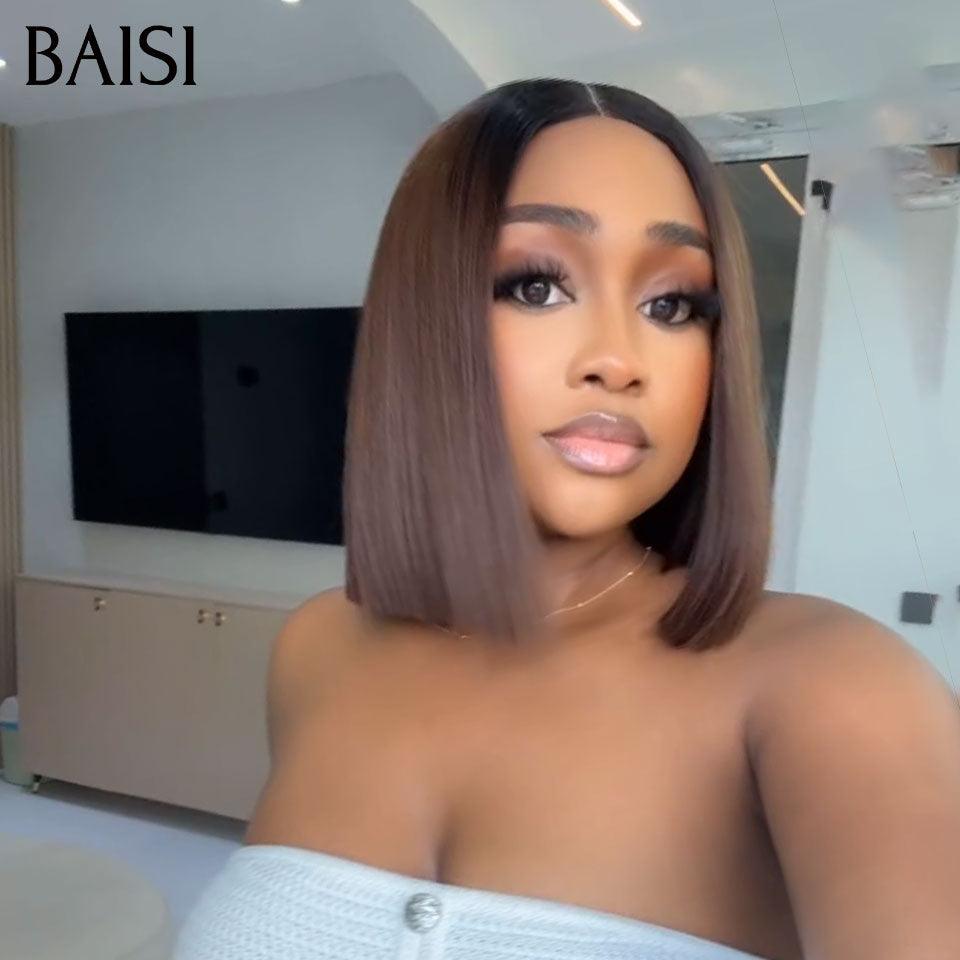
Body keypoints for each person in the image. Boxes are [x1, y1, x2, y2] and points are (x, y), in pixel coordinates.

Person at [175, 78, 960, 960]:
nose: (618, 361)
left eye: (672, 305)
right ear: (423, 319)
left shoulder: (837, 693)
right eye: (538, 286)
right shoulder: (319, 648)